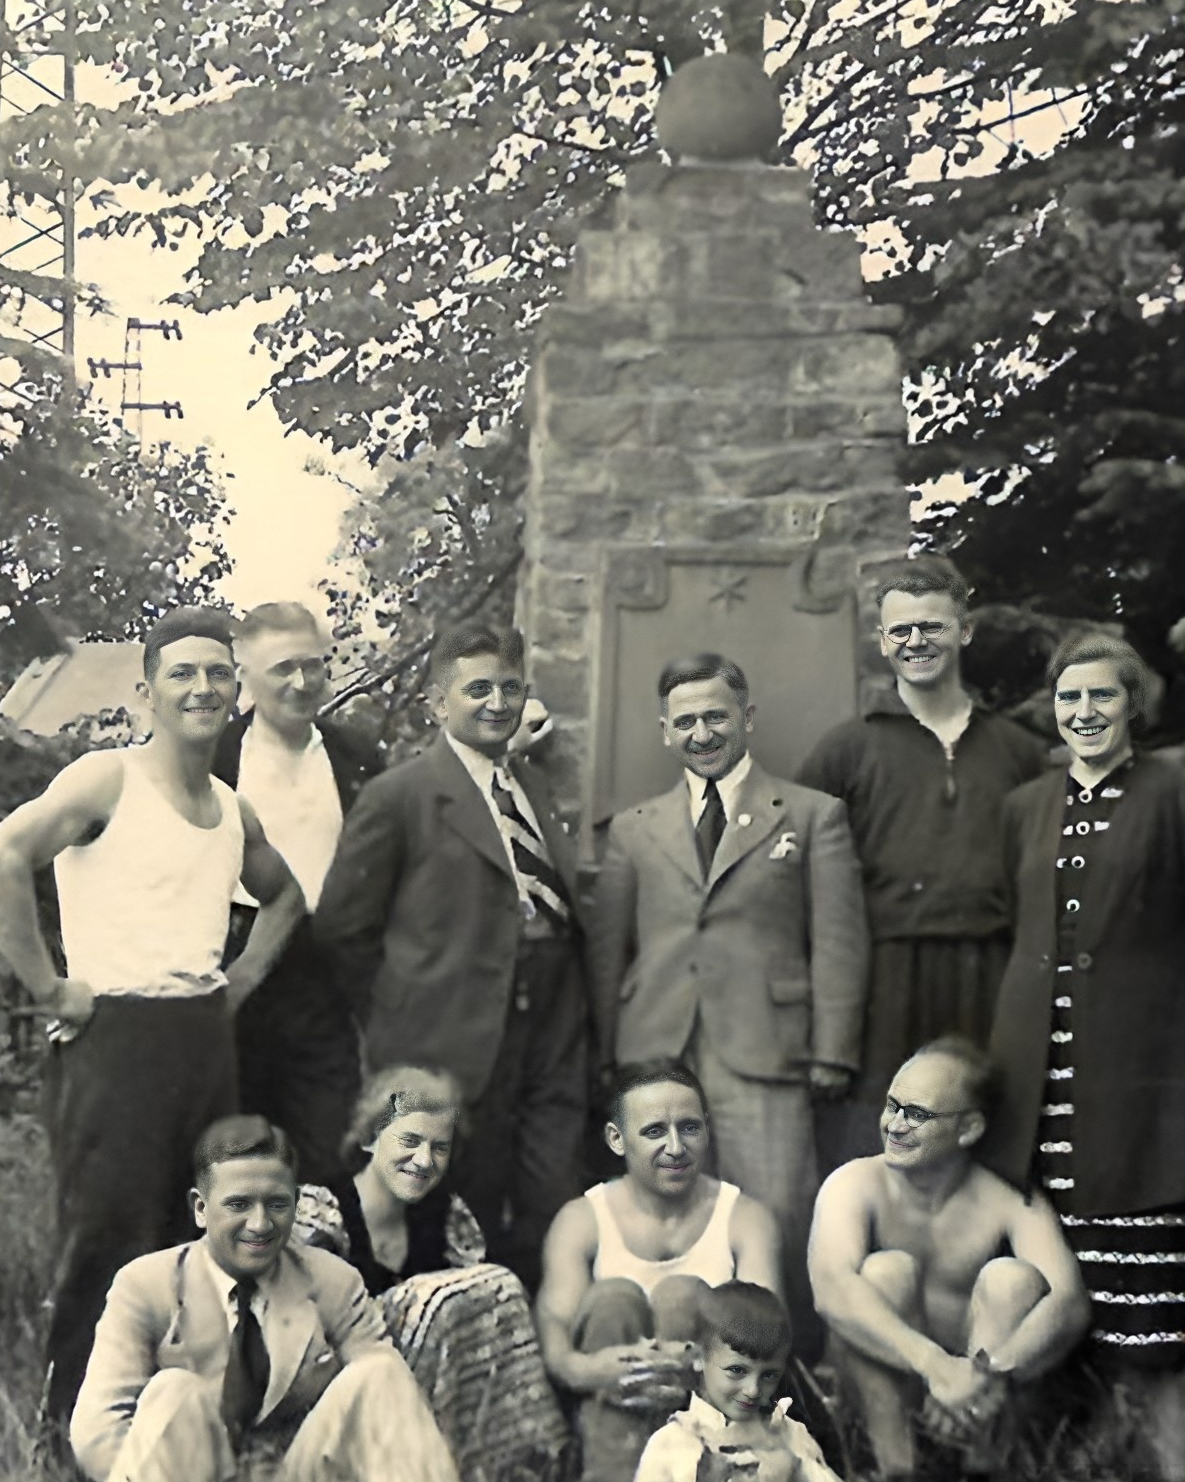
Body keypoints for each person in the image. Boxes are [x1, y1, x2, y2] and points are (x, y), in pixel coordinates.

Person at [0, 607, 308, 1436]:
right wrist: (50, 989)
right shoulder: (106, 779)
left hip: (204, 1045)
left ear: (238, 691)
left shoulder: (231, 808)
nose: (202, 688)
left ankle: (177, 1442)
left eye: (217, 673)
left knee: (197, 1245)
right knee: (107, 1249)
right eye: (182, 673)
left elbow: (286, 898)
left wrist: (239, 979)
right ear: (147, 692)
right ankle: (69, 1451)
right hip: (114, 1046)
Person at [988, 633, 1185, 1482]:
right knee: (1054, 1275)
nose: (1085, 712)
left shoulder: (1181, 794)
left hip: (1139, 1077)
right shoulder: (1026, 806)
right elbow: (1012, 925)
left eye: (1102, 696)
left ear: (1134, 704)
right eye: (1069, 698)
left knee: (1145, 1291)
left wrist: (1167, 1025)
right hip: (1038, 1079)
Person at [590, 651, 869, 1330]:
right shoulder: (634, 827)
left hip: (765, 1048)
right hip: (656, 1046)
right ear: (665, 731)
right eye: (685, 722)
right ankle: (672, 1366)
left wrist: (833, 1049)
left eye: (716, 717)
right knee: (665, 1212)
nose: (702, 734)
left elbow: (838, 941)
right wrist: (606, 1052)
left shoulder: (812, 815)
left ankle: (782, 1371)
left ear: (747, 717)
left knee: (777, 1207)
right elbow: (606, 951)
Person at [313, 619, 590, 1281]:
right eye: (478, 690)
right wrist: (404, 1010)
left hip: (552, 1024)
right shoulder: (400, 795)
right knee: (462, 1204)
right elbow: (343, 929)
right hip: (448, 1037)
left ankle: (533, 1330)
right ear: (438, 704)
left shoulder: (531, 788)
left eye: (511, 689)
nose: (498, 703)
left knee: (552, 1194)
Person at [70, 1114, 478, 1482]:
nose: (260, 1224)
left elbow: (391, 1408)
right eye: (239, 1205)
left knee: (382, 1373)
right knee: (175, 1392)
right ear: (200, 1208)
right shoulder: (145, 1284)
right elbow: (97, 1431)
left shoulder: (333, 1282)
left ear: (296, 1204)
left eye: (277, 1204)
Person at [796, 556, 1051, 1164]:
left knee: (988, 1130)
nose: (917, 641)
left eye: (932, 626)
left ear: (964, 631)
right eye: (902, 630)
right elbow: (801, 879)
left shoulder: (1018, 751)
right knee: (878, 1142)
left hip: (990, 968)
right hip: (885, 978)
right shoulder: (847, 749)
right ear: (883, 641)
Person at [808, 1038, 1089, 1482]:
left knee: (1013, 1279)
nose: (895, 1125)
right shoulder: (854, 1182)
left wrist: (987, 1376)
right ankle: (899, 1479)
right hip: (887, 1385)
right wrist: (935, 1366)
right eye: (892, 1106)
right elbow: (831, 1288)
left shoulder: (1007, 1199)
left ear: (969, 1128)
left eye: (917, 1114)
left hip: (976, 1391)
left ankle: (983, 1480)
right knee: (885, 1272)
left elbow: (1070, 1301)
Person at [291, 1064, 571, 1482]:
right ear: (368, 1138)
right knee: (441, 1296)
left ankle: (523, 1477)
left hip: (440, 1397)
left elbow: (484, 1318)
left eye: (439, 1148)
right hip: (344, 1394)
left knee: (498, 1289)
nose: (424, 1161)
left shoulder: (446, 1215)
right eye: (410, 1141)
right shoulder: (321, 1212)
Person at [539, 1059, 785, 1482]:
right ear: (616, 1139)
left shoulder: (744, 1217)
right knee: (614, 1298)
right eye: (655, 1131)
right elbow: (554, 1329)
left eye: (689, 1128)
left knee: (683, 1296)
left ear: (707, 1129)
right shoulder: (582, 1219)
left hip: (714, 1410)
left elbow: (767, 1337)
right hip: (610, 1403)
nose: (676, 1147)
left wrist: (696, 1365)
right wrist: (588, 1369)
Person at [213, 600, 384, 1178]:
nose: (302, 682)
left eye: (313, 665)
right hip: (236, 964)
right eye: (283, 668)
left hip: (327, 973)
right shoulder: (212, 759)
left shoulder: (357, 758)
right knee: (234, 1147)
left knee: (332, 1149)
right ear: (245, 675)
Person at [629, 1282, 852, 1482]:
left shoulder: (790, 1434)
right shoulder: (671, 1444)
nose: (753, 1389)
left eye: (768, 1375)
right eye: (737, 1371)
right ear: (699, 1357)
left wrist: (798, 1471)